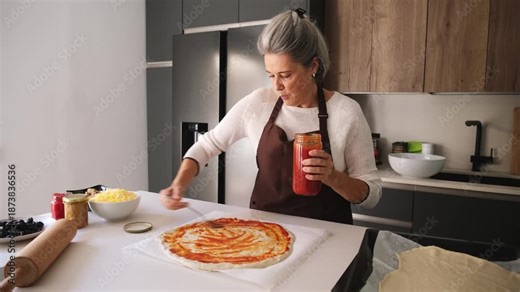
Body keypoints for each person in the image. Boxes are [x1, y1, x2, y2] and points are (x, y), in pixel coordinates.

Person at [160, 8, 382, 224]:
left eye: (285, 75)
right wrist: (179, 183)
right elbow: (207, 145)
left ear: (313, 66)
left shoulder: (346, 113)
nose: (277, 86)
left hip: (329, 240)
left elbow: (372, 195)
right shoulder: (258, 104)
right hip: (265, 236)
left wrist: (334, 177)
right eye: (271, 75)